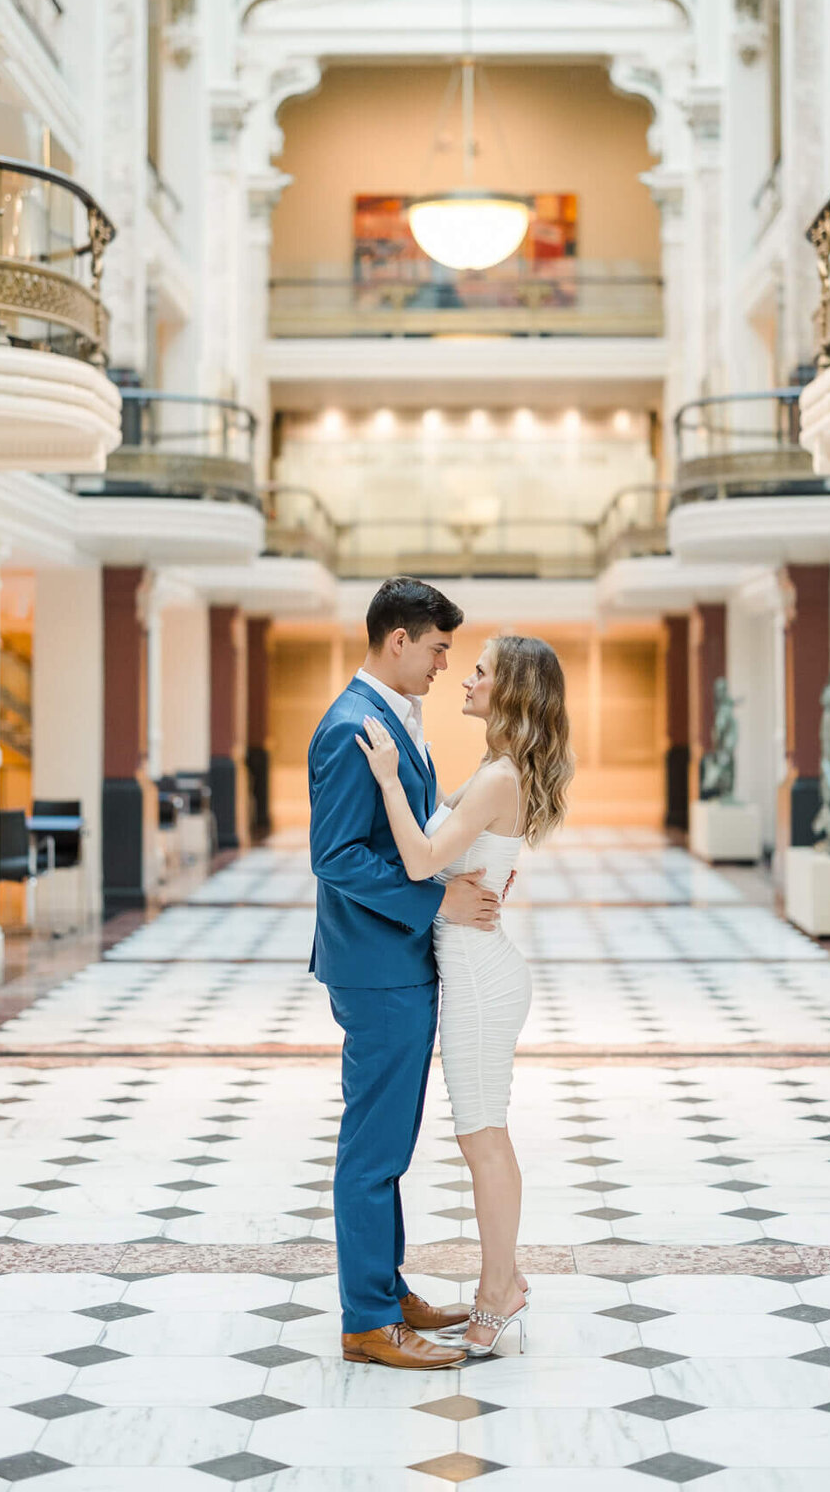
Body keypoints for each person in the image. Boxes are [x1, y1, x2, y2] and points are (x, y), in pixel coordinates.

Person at [358, 633, 573, 1357]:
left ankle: (498, 1291)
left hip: (481, 978)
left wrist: (388, 779)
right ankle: (501, 1280)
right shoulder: (496, 771)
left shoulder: (497, 779)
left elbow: (421, 859)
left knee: (483, 1137)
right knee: (482, 1134)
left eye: (480, 670)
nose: (466, 677)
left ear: (509, 690)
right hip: (479, 968)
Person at [308, 577, 501, 1371]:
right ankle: (366, 1319)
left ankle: (386, 1290)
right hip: (378, 965)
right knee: (374, 1148)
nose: (442, 664)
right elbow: (338, 855)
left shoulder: (390, 717)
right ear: (398, 640)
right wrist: (436, 904)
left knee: (388, 1140)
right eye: (436, 648)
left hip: (393, 960)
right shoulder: (352, 725)